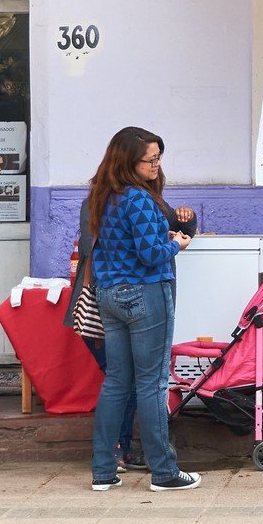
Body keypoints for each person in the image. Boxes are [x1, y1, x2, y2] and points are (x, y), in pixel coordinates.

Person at [86, 126, 200, 491]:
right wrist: (178, 243)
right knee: (152, 384)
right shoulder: (138, 198)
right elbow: (151, 255)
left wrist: (163, 238)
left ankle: (103, 471)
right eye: (149, 160)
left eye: (158, 158)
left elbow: (120, 245)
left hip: (109, 295)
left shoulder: (104, 195)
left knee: (117, 382)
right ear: (127, 162)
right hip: (145, 294)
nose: (156, 165)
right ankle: (164, 472)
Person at [63, 196, 197, 472]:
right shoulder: (103, 202)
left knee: (127, 381)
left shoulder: (152, 201)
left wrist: (188, 218)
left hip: (124, 301)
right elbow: (98, 246)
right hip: (112, 303)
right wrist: (167, 243)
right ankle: (126, 456)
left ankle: (114, 457)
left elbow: (179, 227)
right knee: (128, 382)